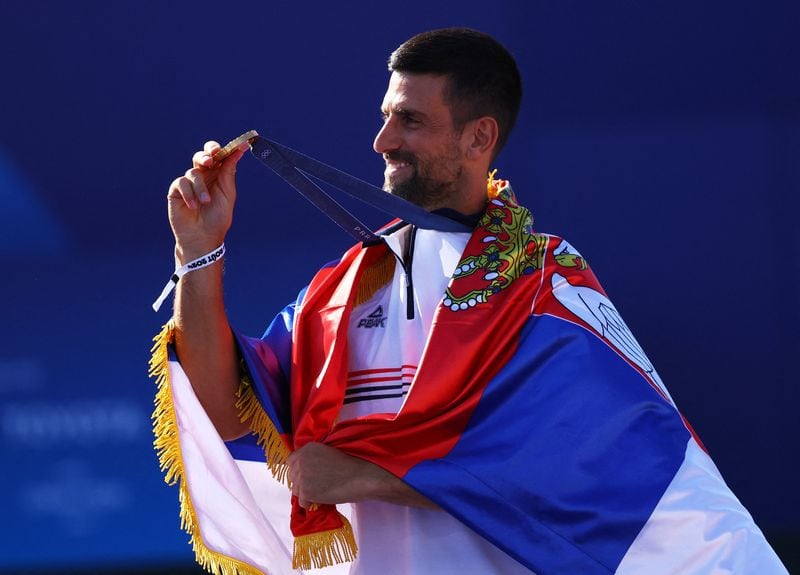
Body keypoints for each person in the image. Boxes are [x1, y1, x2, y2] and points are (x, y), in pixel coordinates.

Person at [154, 28, 787, 574]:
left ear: (478, 137)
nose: (382, 141)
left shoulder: (540, 279)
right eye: (384, 116)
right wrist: (200, 253)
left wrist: (368, 475)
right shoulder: (341, 292)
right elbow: (227, 412)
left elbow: (598, 461)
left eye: (411, 120)